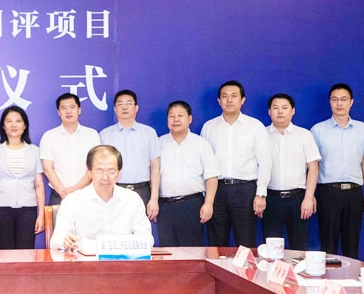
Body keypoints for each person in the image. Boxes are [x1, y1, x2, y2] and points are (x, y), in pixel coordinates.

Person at [201, 80, 271, 247]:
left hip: (245, 191)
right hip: (216, 191)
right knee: (216, 244)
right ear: (219, 101)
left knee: (245, 243)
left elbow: (265, 161)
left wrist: (261, 194)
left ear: (242, 100)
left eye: (234, 96)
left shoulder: (255, 126)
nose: (229, 100)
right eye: (225, 96)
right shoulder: (209, 127)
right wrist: (206, 196)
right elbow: (203, 163)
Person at [311, 83, 364, 259]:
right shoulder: (317, 130)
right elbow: (312, 166)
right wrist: (311, 195)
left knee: (352, 244)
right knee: (328, 244)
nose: (339, 103)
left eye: (343, 99)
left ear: (351, 102)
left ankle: (351, 276)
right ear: (330, 102)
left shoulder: (363, 129)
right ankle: (328, 277)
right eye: (335, 99)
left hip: (354, 193)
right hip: (328, 193)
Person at [49, 145, 153, 250]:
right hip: (85, 259)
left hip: (122, 259)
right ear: (89, 172)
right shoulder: (72, 201)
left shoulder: (132, 200)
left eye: (111, 172)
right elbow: (57, 240)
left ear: (119, 172)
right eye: (99, 171)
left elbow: (147, 239)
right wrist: (65, 241)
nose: (105, 177)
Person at [157, 101, 219, 247]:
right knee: (167, 251)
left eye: (180, 115)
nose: (176, 120)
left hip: (191, 205)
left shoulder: (201, 144)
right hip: (164, 206)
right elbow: (152, 175)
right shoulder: (158, 143)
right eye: (171, 116)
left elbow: (211, 176)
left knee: (191, 251)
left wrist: (208, 203)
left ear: (190, 119)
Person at [0, 106, 46, 249]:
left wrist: (41, 215)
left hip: (27, 210)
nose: (14, 125)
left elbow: (39, 184)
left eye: (18, 121)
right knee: (4, 254)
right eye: (9, 121)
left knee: (26, 254)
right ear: (3, 126)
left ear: (25, 126)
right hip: (1, 209)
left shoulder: (35, 151)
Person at [264, 93, 321, 251]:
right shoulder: (261, 135)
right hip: (270, 198)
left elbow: (313, 167)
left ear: (293, 111)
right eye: (275, 108)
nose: (280, 112)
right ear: (269, 111)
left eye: (284, 108)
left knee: (299, 248)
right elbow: (255, 167)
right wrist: (260, 196)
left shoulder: (304, 135)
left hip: (298, 199)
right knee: (271, 249)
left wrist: (308, 197)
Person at [99, 89, 160, 220]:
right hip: (114, 190)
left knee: (141, 230)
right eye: (120, 104)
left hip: (143, 191)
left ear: (136, 108)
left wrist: (154, 198)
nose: (124, 107)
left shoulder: (149, 133)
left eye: (129, 103)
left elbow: (155, 167)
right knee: (115, 230)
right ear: (115, 109)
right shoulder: (104, 135)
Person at [40, 93, 101, 205]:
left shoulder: (92, 135)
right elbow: (48, 169)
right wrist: (64, 193)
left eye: (72, 107)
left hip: (86, 194)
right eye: (64, 108)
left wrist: (74, 189)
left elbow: (94, 167)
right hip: (59, 195)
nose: (68, 111)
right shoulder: (49, 136)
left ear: (79, 110)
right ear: (58, 112)